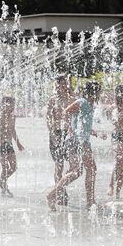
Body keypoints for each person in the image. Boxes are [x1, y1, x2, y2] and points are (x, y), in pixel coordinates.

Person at [47, 81, 107, 211]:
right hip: (76, 141)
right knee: (80, 170)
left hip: (81, 141)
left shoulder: (88, 104)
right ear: (94, 92)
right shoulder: (82, 102)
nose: (100, 94)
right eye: (99, 91)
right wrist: (71, 129)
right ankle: (53, 195)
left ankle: (89, 202)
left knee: (82, 170)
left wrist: (97, 134)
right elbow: (66, 112)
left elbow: (84, 126)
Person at [46, 75, 75, 204]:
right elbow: (48, 117)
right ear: (56, 85)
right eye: (60, 84)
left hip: (68, 134)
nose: (63, 86)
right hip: (56, 133)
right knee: (59, 165)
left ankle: (60, 187)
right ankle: (60, 193)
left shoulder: (71, 99)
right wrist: (51, 133)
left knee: (73, 165)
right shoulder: (53, 100)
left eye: (65, 83)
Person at [0, 96, 25, 197]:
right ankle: (4, 187)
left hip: (9, 144)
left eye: (13, 104)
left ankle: (1, 180)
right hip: (0, 145)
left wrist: (18, 143)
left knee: (14, 167)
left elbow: (13, 130)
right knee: (5, 167)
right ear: (5, 105)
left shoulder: (13, 117)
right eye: (11, 105)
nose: (13, 107)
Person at [107, 84, 123, 199]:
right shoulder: (115, 108)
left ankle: (118, 191)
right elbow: (116, 123)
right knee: (119, 160)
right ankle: (111, 185)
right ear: (119, 95)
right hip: (118, 137)